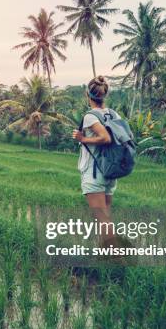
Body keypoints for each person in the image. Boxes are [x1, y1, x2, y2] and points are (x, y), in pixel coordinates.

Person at [72, 76, 120, 247]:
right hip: (110, 172)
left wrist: (82, 138)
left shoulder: (90, 117)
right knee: (106, 217)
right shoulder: (113, 114)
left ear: (88, 95)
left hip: (94, 173)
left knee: (102, 220)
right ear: (104, 95)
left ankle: (116, 259)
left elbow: (105, 138)